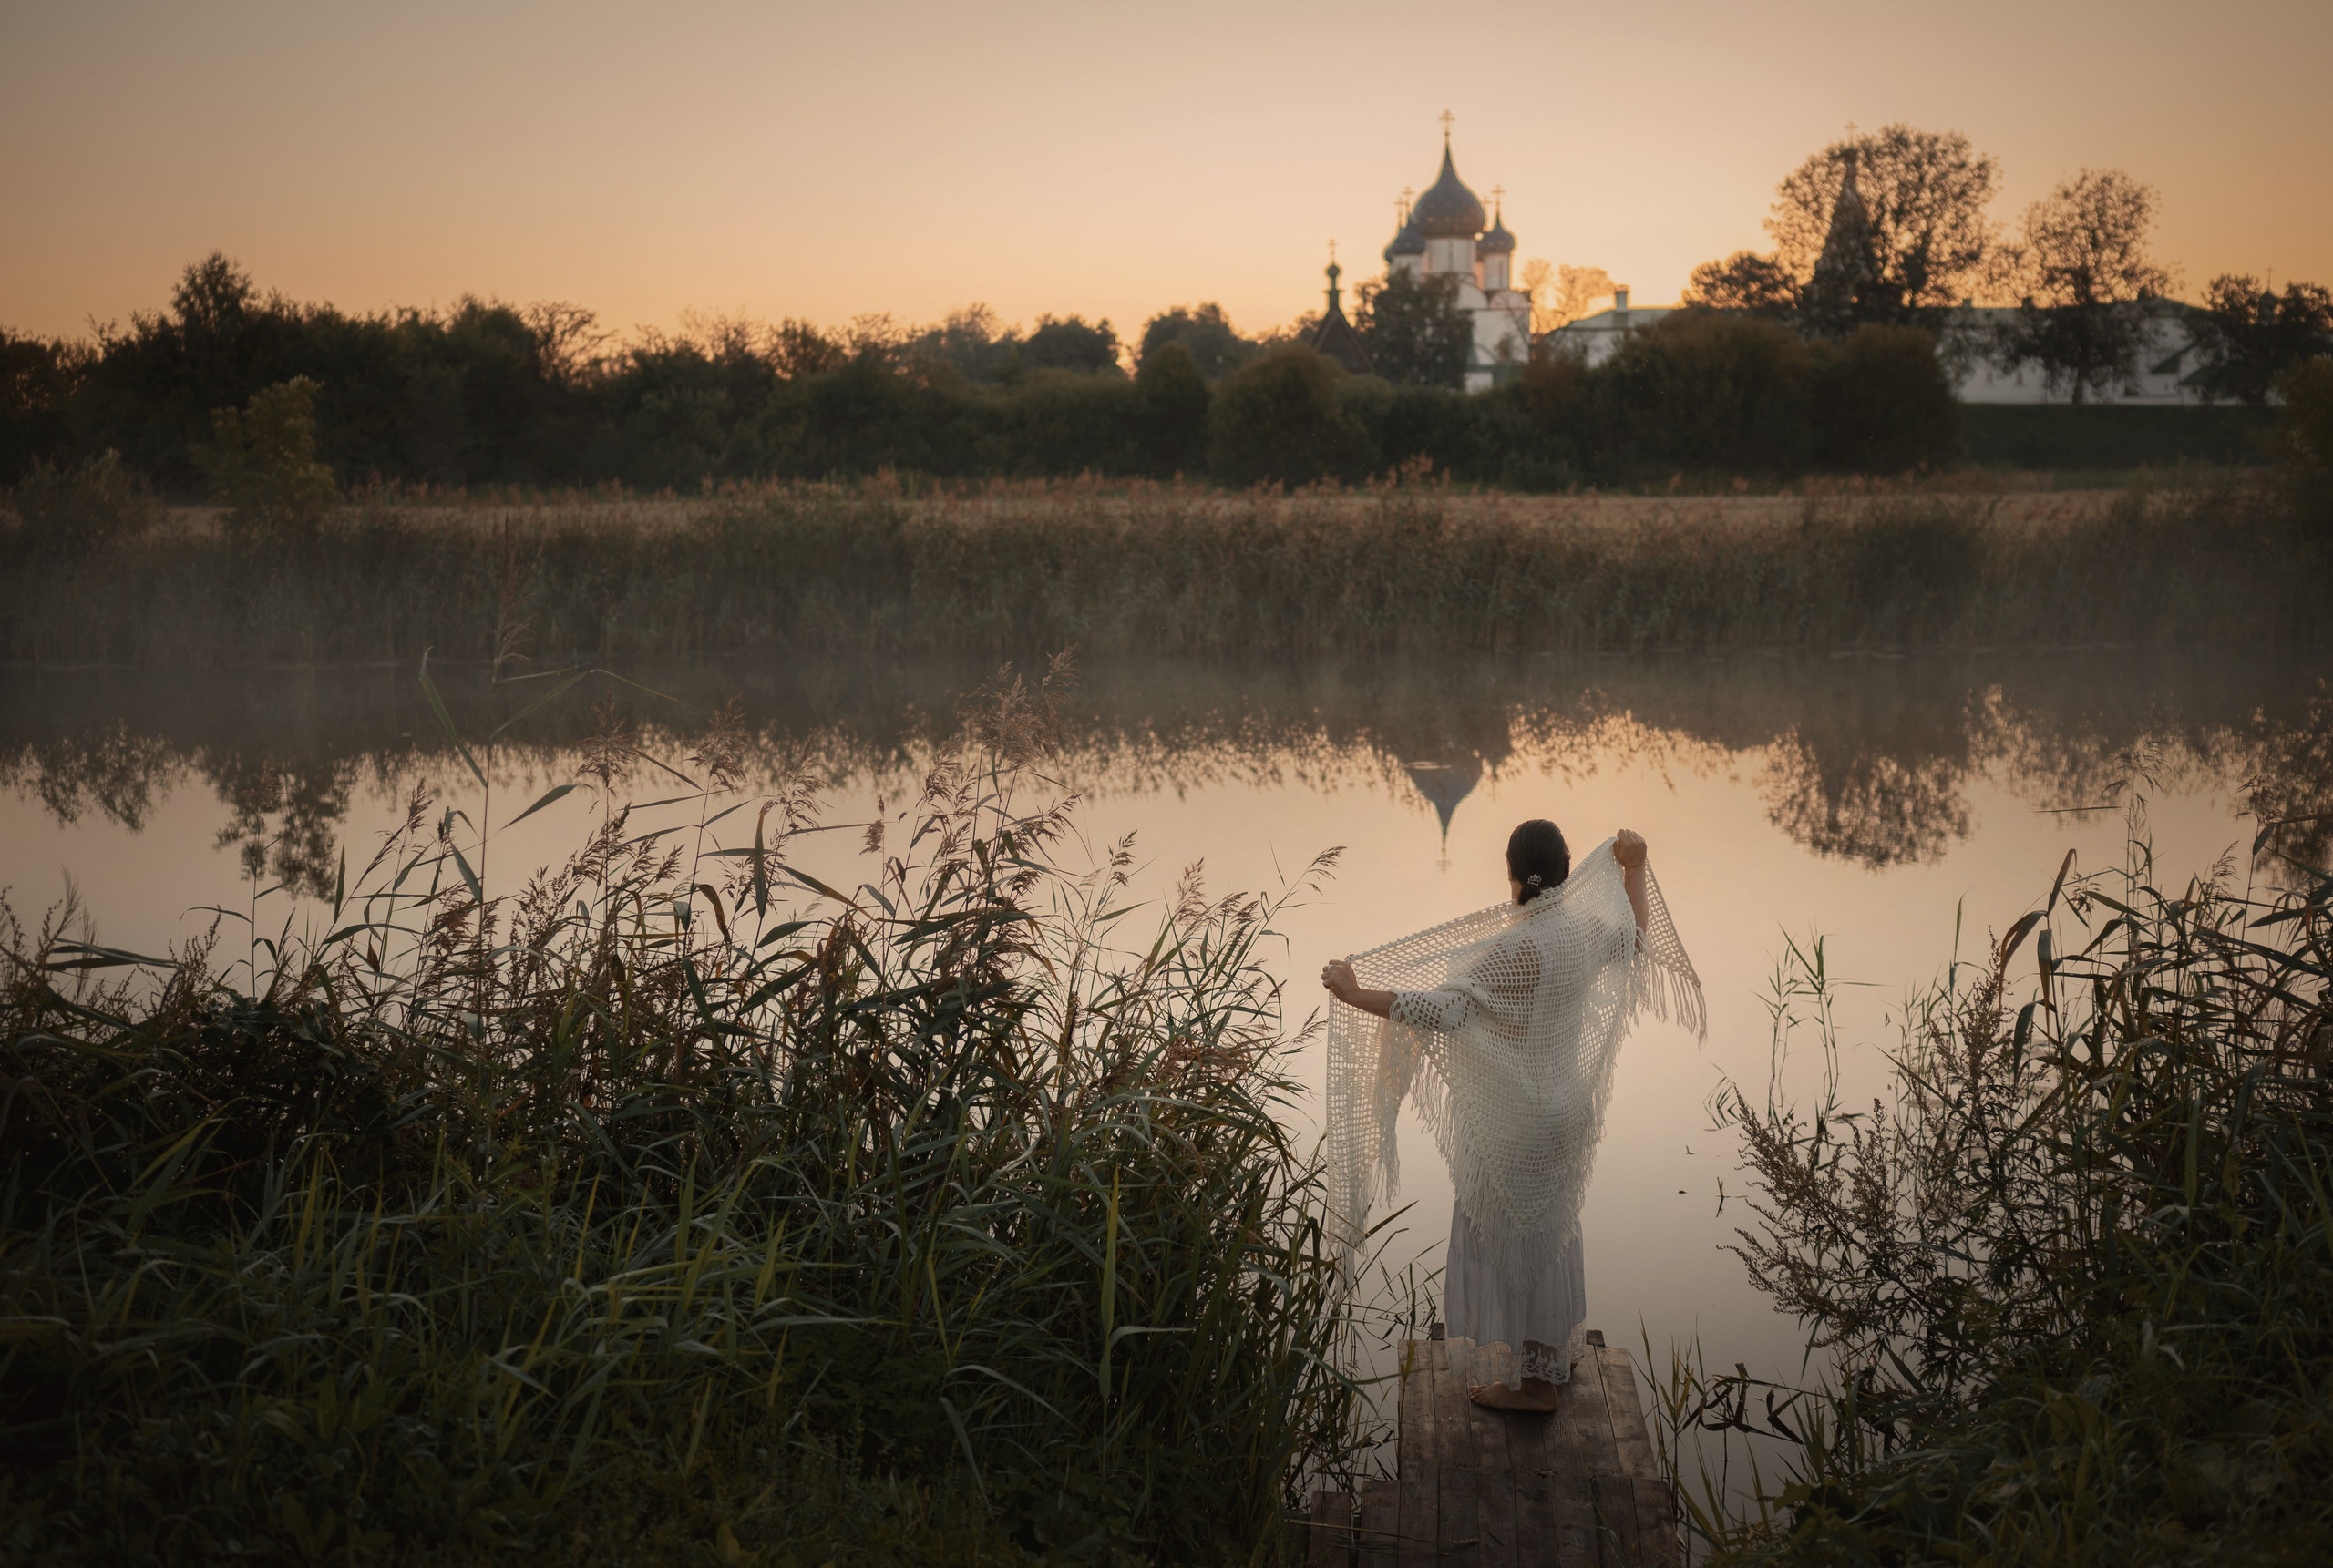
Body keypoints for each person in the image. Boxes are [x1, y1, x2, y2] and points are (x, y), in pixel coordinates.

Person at [1321, 819, 1702, 1412]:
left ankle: (1531, 1387)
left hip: (1517, 1123)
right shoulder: (1581, 931)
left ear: (1514, 873)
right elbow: (1634, 937)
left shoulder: (1518, 947)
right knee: (1548, 1238)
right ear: (1566, 870)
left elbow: (1443, 1010)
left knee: (1504, 1242)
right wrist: (1635, 866)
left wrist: (1355, 994)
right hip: (1563, 1116)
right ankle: (1546, 1363)